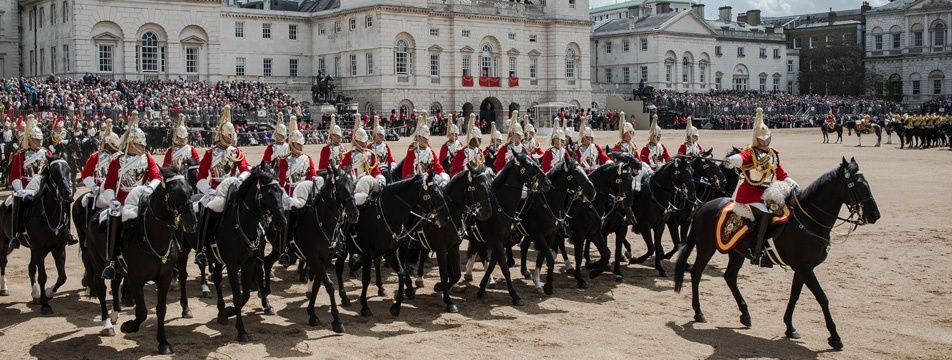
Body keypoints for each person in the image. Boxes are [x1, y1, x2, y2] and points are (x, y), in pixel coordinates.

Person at [724, 107, 799, 267]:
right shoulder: (750, 152)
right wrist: (733, 160)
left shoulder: (773, 154)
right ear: (757, 139)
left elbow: (781, 173)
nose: (765, 142)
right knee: (765, 214)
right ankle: (757, 254)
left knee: (786, 210)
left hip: (767, 193)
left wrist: (790, 181)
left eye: (767, 138)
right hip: (749, 194)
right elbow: (741, 158)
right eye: (762, 139)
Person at [98, 111, 163, 279]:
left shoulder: (147, 158)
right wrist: (112, 200)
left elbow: (156, 176)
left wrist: (149, 189)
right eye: (140, 145)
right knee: (114, 219)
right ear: (131, 144)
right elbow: (110, 184)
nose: (143, 148)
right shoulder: (117, 160)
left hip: (142, 199)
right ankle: (111, 261)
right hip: (122, 201)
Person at [194, 105, 251, 266]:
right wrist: (209, 190)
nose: (230, 140)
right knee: (206, 214)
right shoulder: (210, 153)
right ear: (221, 135)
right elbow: (201, 177)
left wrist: (240, 180)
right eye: (228, 136)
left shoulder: (236, 152)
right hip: (215, 191)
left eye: (231, 136)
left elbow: (245, 169)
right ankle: (202, 249)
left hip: (233, 189)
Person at [275, 115, 318, 265]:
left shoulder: (308, 159)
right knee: (288, 219)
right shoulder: (284, 160)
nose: (301, 147)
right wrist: (285, 196)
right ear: (292, 144)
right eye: (298, 145)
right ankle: (285, 249)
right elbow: (281, 181)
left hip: (305, 193)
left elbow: (313, 177)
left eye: (302, 144)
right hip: (290, 193)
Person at [6, 115, 52, 249]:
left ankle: (64, 231)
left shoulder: (46, 153)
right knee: (19, 201)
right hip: (27, 187)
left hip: (44, 186)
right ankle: (16, 234)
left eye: (41, 139)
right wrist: (20, 189)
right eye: (36, 140)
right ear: (30, 140)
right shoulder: (21, 155)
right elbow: (15, 176)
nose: (39, 142)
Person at [340, 117, 386, 205]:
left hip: (369, 181)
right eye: (362, 142)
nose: (365, 144)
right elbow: (344, 171)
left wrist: (379, 177)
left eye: (365, 141)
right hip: (354, 183)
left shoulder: (370, 154)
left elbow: (375, 170)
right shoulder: (349, 155)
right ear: (356, 141)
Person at [80, 120, 121, 214]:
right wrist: (93, 186)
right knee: (90, 207)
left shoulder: (121, 157)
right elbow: (86, 174)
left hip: (118, 189)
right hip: (99, 189)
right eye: (113, 145)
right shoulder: (96, 156)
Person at [401, 112, 449, 184]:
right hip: (417, 182)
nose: (426, 140)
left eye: (427, 138)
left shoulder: (430, 151)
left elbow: (438, 167)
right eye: (424, 138)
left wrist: (443, 177)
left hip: (430, 180)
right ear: (418, 137)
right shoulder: (412, 152)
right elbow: (406, 173)